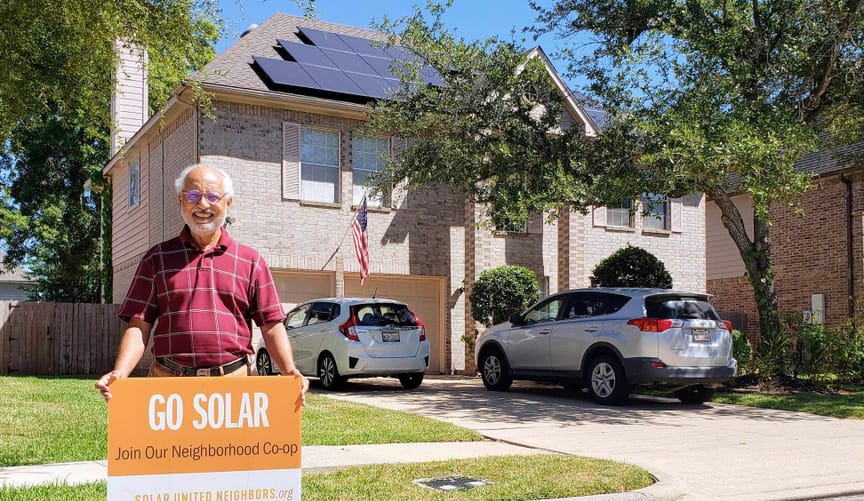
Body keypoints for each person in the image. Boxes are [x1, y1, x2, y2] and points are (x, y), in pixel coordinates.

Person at [96, 164, 308, 404]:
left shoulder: (250, 261)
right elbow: (139, 325)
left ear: (228, 203)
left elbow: (271, 325)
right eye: (193, 196)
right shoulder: (157, 259)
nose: (203, 205)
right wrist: (120, 373)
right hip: (167, 385)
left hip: (235, 384)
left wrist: (290, 372)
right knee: (167, 445)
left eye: (213, 196)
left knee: (234, 445)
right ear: (180, 201)